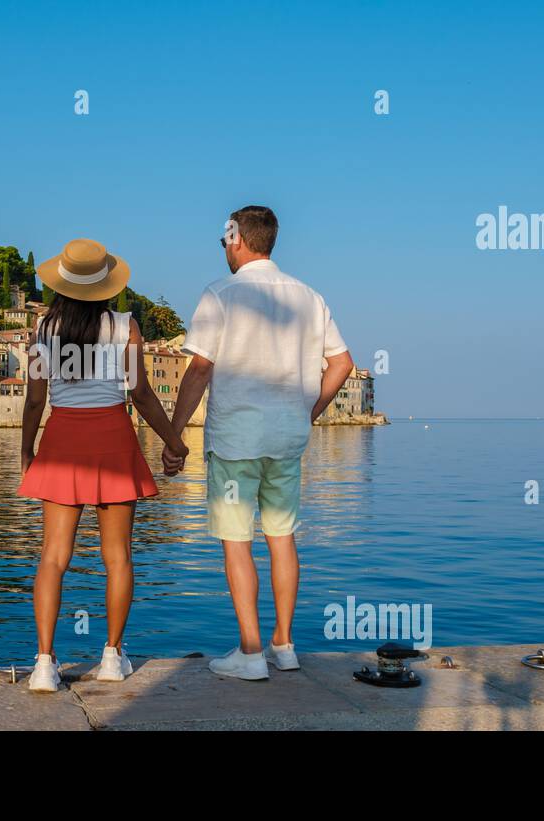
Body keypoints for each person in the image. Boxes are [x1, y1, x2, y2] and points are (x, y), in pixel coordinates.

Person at [163, 206, 354, 680]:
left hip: (235, 440)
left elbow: (200, 368)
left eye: (224, 238)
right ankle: (283, 646)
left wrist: (173, 436)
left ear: (238, 240)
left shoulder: (220, 294)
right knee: (282, 539)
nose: (222, 246)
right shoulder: (309, 297)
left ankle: (249, 653)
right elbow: (343, 364)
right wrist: (309, 411)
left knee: (236, 543)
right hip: (288, 439)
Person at [19, 238, 189, 693]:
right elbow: (142, 396)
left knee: (53, 557)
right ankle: (113, 657)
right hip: (113, 438)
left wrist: (26, 451)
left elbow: (35, 401)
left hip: (62, 438)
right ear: (106, 285)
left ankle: (43, 664)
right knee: (118, 557)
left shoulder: (44, 329)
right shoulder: (125, 327)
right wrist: (175, 441)